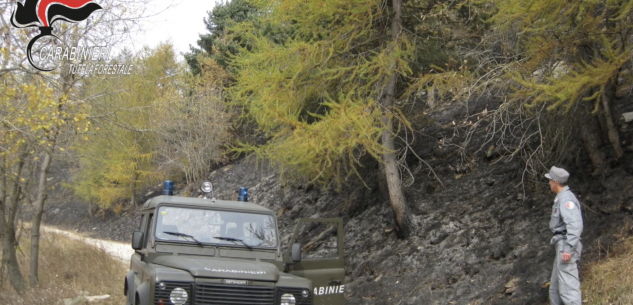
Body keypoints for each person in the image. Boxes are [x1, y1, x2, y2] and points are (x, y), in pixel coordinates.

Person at [545, 166, 583, 305]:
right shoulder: (561, 198)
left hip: (566, 245)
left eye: (549, 180)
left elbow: (575, 225)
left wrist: (568, 248)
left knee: (568, 288)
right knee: (555, 288)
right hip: (561, 244)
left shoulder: (567, 200)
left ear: (555, 182)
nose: (548, 183)